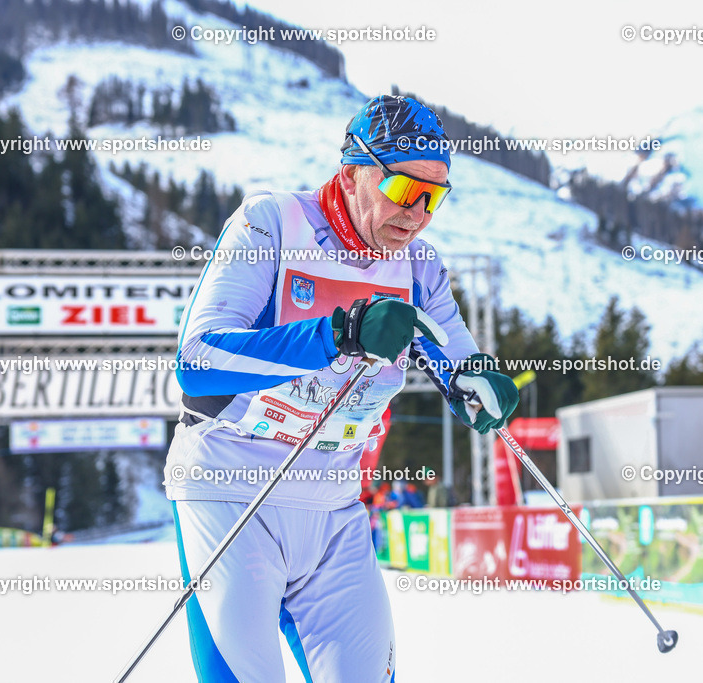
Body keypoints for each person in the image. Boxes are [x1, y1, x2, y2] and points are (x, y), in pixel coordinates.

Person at [163, 94, 519, 682]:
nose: (419, 213)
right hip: (230, 491)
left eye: (436, 197)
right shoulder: (272, 222)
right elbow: (198, 363)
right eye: (406, 189)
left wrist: (481, 388)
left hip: (333, 506)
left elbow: (460, 364)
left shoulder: (420, 268)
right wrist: (340, 333)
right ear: (352, 173)